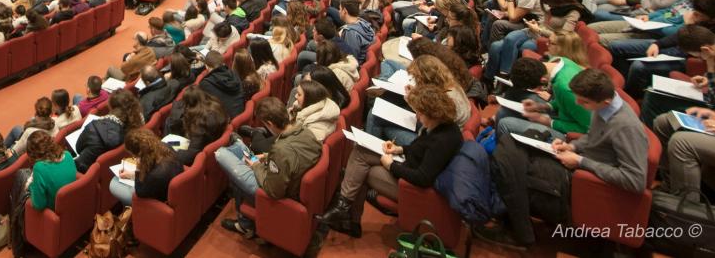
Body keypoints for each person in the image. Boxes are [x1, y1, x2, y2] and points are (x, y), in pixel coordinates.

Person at [477, 69, 649, 249]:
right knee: (510, 149)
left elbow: (635, 180)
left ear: (605, 101)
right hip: (578, 164)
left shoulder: (626, 127)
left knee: (507, 167)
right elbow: (592, 137)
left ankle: (518, 233)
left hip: (584, 182)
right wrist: (572, 146)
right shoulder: (607, 106)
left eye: (583, 101)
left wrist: (581, 161)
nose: (577, 103)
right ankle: (514, 223)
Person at [319, 86, 463, 238]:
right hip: (408, 166)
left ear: (432, 113)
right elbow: (421, 149)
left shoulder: (442, 140)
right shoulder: (441, 126)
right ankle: (346, 213)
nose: (417, 116)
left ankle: (347, 215)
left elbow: (423, 178)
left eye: (420, 113)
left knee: (363, 170)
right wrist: (400, 149)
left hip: (412, 188)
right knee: (361, 150)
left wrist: (391, 165)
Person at [216, 96, 324, 238]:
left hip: (280, 195)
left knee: (220, 153)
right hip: (290, 179)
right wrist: (267, 157)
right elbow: (295, 157)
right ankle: (240, 146)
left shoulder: (281, 151)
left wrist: (255, 165)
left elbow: (273, 190)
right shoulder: (306, 132)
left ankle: (244, 225)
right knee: (246, 157)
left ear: (270, 123)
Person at [108, 126, 184, 206]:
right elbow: (151, 170)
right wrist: (131, 175)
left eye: (134, 156)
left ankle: (132, 212)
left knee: (114, 183)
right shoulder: (166, 147)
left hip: (158, 202)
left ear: (139, 155)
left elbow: (140, 193)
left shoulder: (156, 175)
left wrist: (138, 167)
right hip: (171, 189)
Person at [73, 89, 143, 172]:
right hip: (109, 169)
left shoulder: (93, 127)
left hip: (85, 168)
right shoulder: (138, 122)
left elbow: (78, 148)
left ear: (111, 106)